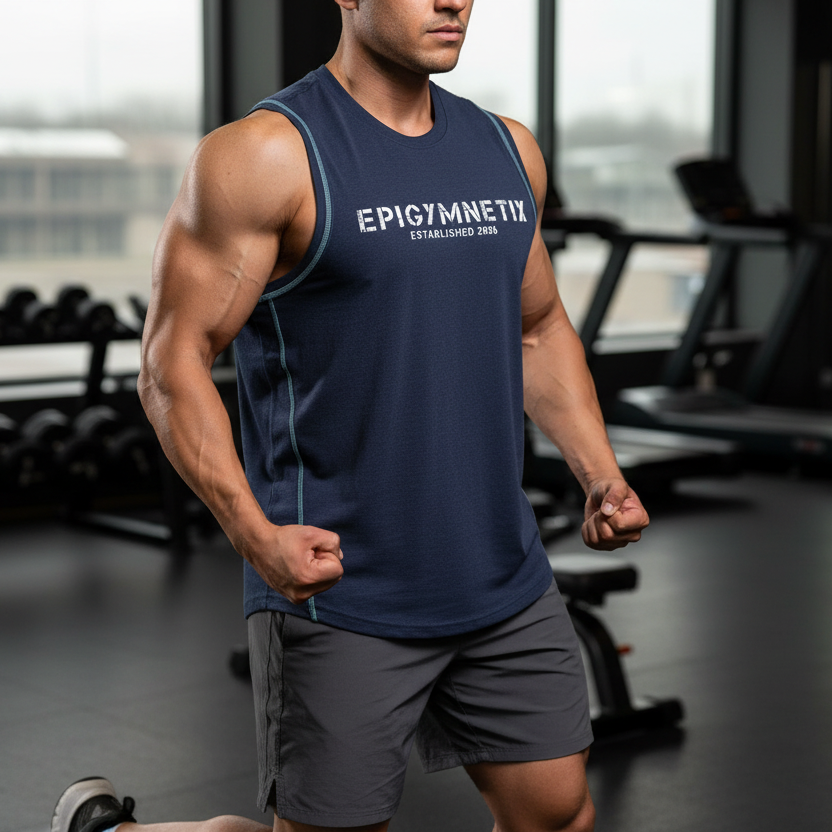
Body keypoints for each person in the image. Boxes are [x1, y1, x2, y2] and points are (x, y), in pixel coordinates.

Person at [52, 1, 649, 831]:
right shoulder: (266, 156)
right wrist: (255, 534)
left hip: (499, 570)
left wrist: (600, 474)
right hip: (339, 582)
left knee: (556, 814)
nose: (452, 0)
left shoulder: (508, 151)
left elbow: (538, 329)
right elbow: (169, 362)